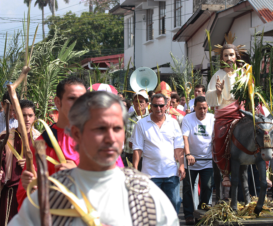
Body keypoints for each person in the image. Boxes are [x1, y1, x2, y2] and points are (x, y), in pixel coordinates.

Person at [9, 91, 179, 226]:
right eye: (100, 128)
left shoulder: (145, 196)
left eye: (117, 128)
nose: (110, 138)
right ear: (77, 134)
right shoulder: (51, 197)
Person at [16, 76, 87, 210]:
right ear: (58, 102)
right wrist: (29, 187)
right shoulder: (43, 143)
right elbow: (28, 196)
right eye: (72, 99)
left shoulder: (98, 139)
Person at [132, 93, 185, 213]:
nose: (158, 108)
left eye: (161, 105)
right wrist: (135, 169)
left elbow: (178, 147)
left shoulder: (173, 123)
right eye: (155, 106)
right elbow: (137, 148)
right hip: (150, 174)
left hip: (171, 173)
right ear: (150, 106)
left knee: (174, 203)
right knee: (152, 209)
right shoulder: (141, 124)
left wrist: (181, 164)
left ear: (166, 106)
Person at [205, 44, 244, 187]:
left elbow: (250, 91)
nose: (229, 58)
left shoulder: (243, 73)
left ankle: (263, 169)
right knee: (219, 137)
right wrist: (218, 92)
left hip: (240, 110)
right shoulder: (218, 75)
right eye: (226, 55)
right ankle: (225, 173)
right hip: (224, 111)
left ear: (236, 56)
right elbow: (208, 96)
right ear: (222, 58)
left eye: (231, 55)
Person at [0, 100, 41, 226]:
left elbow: (46, 167)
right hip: (10, 193)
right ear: (16, 116)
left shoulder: (39, 139)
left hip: (30, 192)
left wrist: (32, 167)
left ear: (35, 116)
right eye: (23, 115)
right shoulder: (5, 137)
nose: (27, 119)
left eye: (30, 115)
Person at [182, 96, 215, 225]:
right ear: (194, 108)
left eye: (205, 108)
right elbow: (184, 138)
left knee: (207, 186)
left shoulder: (212, 118)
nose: (202, 111)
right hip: (191, 160)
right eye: (200, 108)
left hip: (207, 159)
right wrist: (188, 154)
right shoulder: (188, 119)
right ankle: (189, 214)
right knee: (188, 188)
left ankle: (202, 212)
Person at [123, 91, 149, 168]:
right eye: (136, 101)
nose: (138, 103)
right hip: (129, 155)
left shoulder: (151, 118)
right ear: (133, 103)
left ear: (147, 104)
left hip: (146, 157)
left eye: (141, 101)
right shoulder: (126, 117)